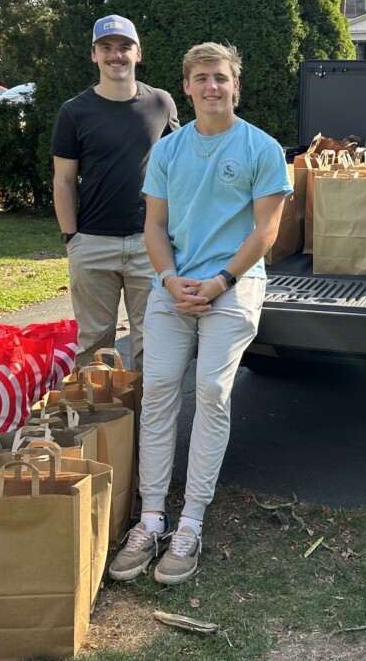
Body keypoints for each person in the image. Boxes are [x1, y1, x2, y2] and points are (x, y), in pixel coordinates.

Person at [108, 42, 290, 584]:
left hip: (233, 286)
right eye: (201, 78)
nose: (212, 86)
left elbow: (266, 231)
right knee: (159, 386)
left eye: (221, 77)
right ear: (185, 87)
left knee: (211, 390)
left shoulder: (262, 148)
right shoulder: (167, 151)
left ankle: (190, 522)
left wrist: (220, 281)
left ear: (236, 86)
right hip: (174, 286)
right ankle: (151, 517)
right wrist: (169, 280)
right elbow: (155, 228)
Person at [51, 15, 180, 371]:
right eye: (106, 48)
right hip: (92, 244)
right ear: (94, 55)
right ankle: (95, 427)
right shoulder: (74, 112)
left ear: (138, 53)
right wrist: (71, 238)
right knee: (94, 343)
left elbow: (177, 170)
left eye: (124, 47)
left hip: (149, 242)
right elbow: (63, 180)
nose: (115, 55)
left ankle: (143, 426)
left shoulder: (161, 104)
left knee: (149, 341)